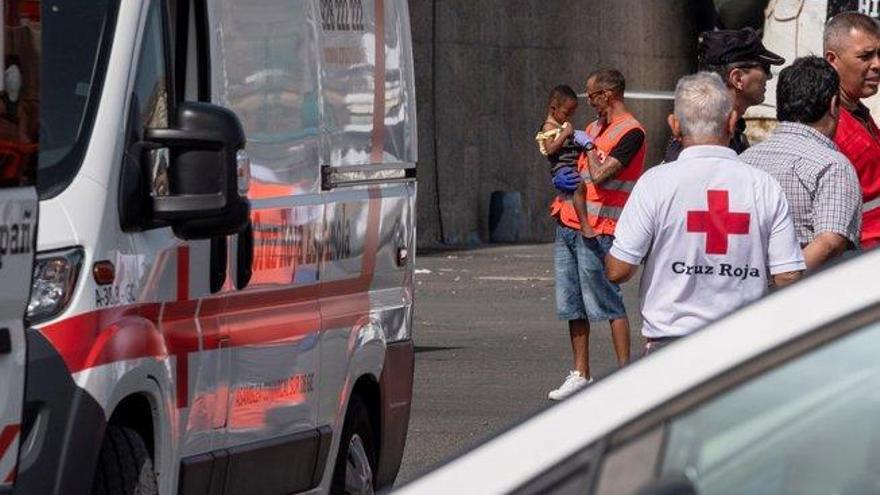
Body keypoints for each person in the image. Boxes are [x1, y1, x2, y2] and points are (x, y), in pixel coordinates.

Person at [606, 72, 805, 355]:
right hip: (746, 347)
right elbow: (788, 276)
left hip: (670, 348)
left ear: (674, 125)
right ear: (732, 122)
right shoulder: (764, 185)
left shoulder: (654, 183)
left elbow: (619, 270)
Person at [546, 69, 645, 400]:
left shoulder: (632, 132)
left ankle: (624, 373)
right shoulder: (592, 128)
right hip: (569, 222)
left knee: (607, 301)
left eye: (592, 96)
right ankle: (580, 373)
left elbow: (601, 175)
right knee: (572, 303)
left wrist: (587, 147)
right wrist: (560, 178)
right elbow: (577, 169)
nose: (588, 103)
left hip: (600, 229)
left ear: (608, 95)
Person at [741, 56, 861, 269]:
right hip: (801, 295)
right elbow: (829, 244)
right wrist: (781, 286)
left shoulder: (744, 160)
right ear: (834, 105)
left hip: (742, 290)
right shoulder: (833, 166)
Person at [663, 27, 785, 162]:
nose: (769, 77)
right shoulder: (706, 141)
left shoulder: (708, 133)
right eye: (765, 68)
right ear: (738, 79)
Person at [824, 12, 880, 249]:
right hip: (859, 258)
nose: (877, 64)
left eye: (879, 54)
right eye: (865, 56)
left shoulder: (858, 112)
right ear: (832, 60)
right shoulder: (827, 125)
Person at [535, 85, 596, 238]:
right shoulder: (548, 126)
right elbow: (550, 149)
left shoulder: (560, 125)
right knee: (579, 186)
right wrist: (565, 134)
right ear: (553, 108)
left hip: (571, 164)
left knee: (580, 187)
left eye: (572, 114)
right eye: (566, 113)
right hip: (562, 166)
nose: (569, 118)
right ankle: (584, 224)